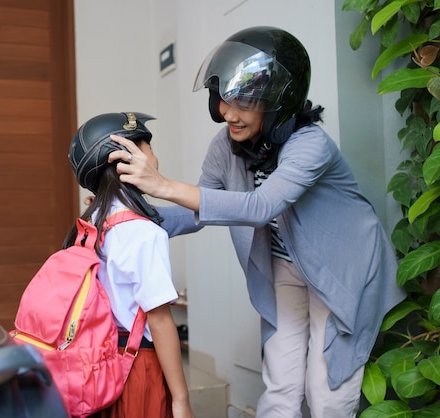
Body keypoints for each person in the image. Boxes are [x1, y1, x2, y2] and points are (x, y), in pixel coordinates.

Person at [107, 26, 407, 418]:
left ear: (279, 101)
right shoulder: (226, 145)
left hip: (341, 268)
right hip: (283, 266)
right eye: (225, 100)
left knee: (326, 391)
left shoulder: (311, 144)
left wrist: (161, 185)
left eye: (244, 102)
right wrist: (121, 217)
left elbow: (260, 206)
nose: (228, 113)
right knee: (281, 382)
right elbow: (202, 207)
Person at [66, 112, 194, 418]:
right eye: (148, 147)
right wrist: (181, 399)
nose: (154, 155)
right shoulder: (142, 231)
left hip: (99, 360)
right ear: (127, 158)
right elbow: (160, 321)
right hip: (136, 365)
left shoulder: (92, 220)